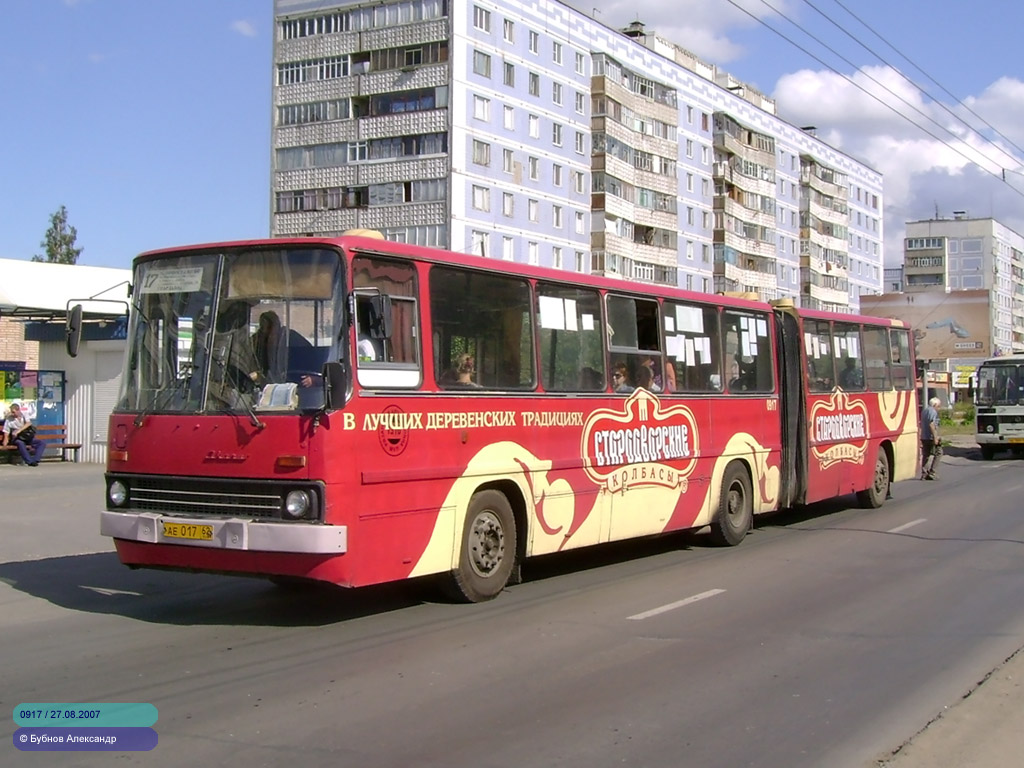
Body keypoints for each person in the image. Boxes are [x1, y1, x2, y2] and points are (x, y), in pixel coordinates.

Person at [251, 310, 287, 385]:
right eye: (263, 328)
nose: (267, 334)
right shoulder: (255, 341)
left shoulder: (289, 339)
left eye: (270, 329)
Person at [920, 396, 942, 480]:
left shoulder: (925, 411)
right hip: (930, 437)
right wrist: (935, 437)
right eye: (938, 406)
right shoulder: (932, 411)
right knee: (939, 452)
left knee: (926, 454)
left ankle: (924, 473)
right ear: (935, 404)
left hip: (924, 436)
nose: (939, 408)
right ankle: (932, 472)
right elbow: (931, 424)